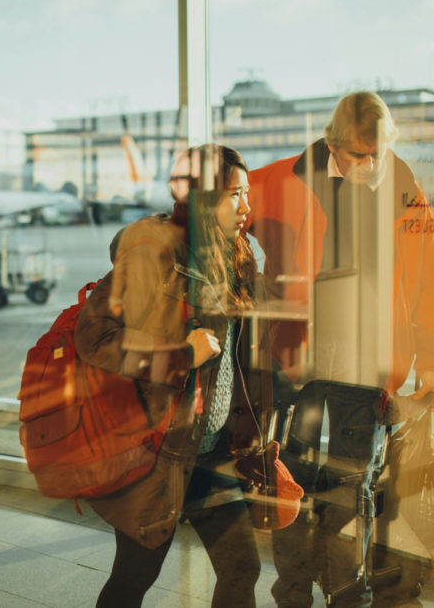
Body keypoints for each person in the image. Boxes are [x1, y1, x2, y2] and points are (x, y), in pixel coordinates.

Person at [243, 92, 434, 608]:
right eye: (356, 155)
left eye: (376, 154)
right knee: (289, 478)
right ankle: (293, 589)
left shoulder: (404, 190)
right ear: (333, 145)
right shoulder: (284, 179)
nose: (367, 165)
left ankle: (335, 576)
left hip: (366, 366)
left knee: (349, 483)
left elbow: (433, 281)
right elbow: (222, 209)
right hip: (299, 363)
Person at [76, 144, 273, 608]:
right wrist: (181, 353)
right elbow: (94, 338)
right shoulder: (155, 256)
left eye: (247, 193)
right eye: (234, 195)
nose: (247, 206)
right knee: (133, 579)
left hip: (210, 451)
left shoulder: (235, 257)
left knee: (242, 567)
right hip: (159, 454)